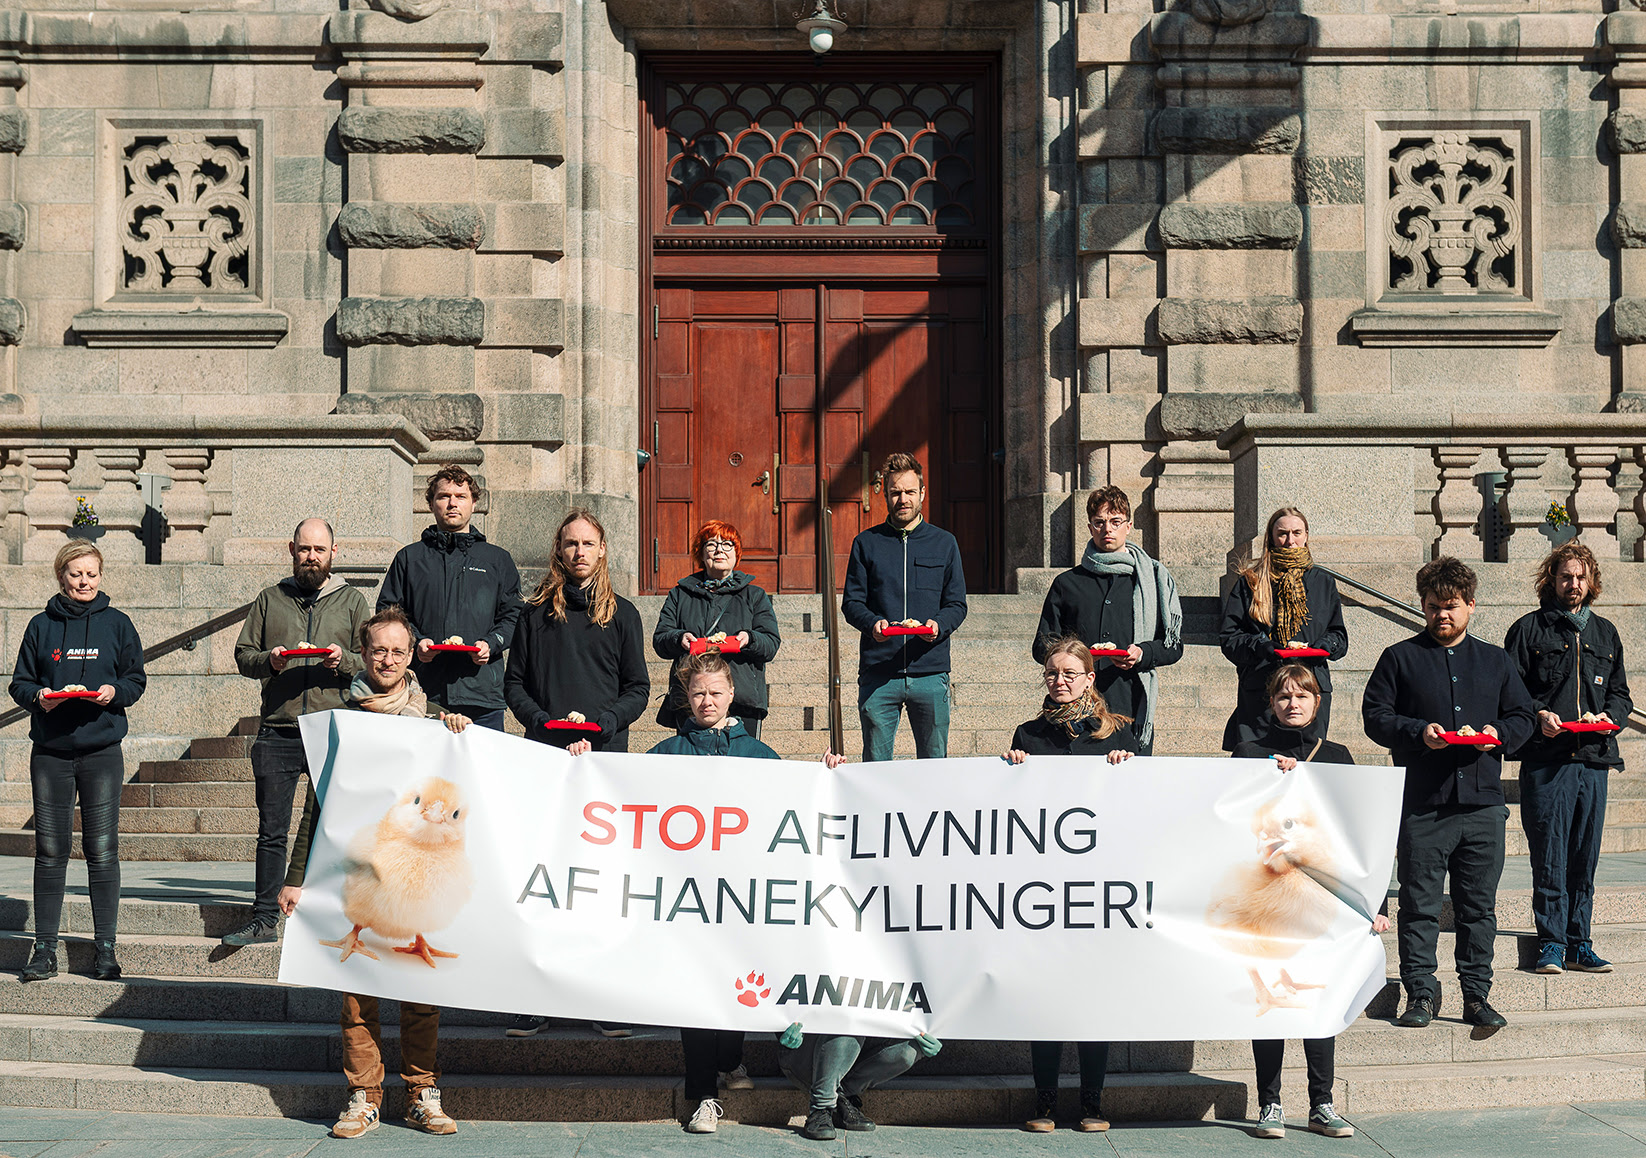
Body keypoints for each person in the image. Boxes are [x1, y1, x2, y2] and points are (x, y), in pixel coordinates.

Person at [278, 606, 473, 1139]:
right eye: (378, 650)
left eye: (398, 651)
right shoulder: (341, 722)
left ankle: (421, 1093)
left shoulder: (432, 725)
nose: (388, 660)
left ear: (413, 656)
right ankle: (363, 1095)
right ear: (364, 654)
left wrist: (456, 730)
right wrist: (296, 877)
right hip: (359, 871)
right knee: (357, 991)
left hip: (415, 878)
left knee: (419, 992)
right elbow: (318, 806)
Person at [1363, 556, 1536, 1029]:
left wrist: (1496, 733)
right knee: (1418, 905)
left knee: (1477, 908)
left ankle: (1476, 996)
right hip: (1424, 805)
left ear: (1471, 607)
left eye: (1453, 606)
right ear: (1422, 605)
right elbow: (1375, 716)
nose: (1444, 614)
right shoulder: (1399, 658)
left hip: (1482, 807)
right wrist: (1420, 732)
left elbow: (1523, 718)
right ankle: (1420, 993)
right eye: (1435, 605)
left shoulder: (1496, 660)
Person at [503, 508, 648, 1037]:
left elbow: (638, 689)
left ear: (603, 548)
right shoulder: (533, 615)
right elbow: (514, 684)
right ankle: (535, 996)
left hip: (604, 764)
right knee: (544, 881)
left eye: (588, 543)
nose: (579, 551)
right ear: (558, 551)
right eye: (570, 543)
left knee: (600, 884)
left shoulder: (623, 615)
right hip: (545, 759)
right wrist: (542, 722)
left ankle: (604, 999)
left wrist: (605, 723)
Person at [1231, 664, 1388, 1140]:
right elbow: (1231, 825)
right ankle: (1270, 1104)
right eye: (1283, 696)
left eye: (1303, 695)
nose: (1293, 703)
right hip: (1269, 900)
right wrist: (1271, 782)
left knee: (1318, 1000)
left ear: (1318, 702)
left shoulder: (1337, 757)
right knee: (1271, 1001)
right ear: (1270, 703)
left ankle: (1322, 1103)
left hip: (1326, 902)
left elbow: (1360, 837)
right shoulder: (1249, 754)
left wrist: (1371, 904)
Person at [646, 652, 782, 1134]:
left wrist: (828, 774)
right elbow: (626, 801)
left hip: (741, 899)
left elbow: (794, 808)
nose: (707, 701)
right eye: (698, 692)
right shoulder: (664, 754)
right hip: (686, 899)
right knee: (696, 994)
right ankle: (703, 1095)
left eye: (716, 693)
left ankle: (732, 1058)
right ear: (687, 696)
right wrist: (582, 764)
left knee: (735, 983)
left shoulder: (761, 756)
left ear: (732, 696)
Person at [1002, 636, 1133, 1132]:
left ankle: (1094, 1102)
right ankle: (1045, 1101)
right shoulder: (1028, 733)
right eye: (1052, 673)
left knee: (1092, 996)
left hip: (1098, 890)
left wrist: (1129, 770)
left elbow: (1140, 808)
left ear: (1090, 679)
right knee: (1047, 996)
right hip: (1044, 888)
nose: (1060, 681)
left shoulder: (1118, 733)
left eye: (1070, 674)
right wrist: (1010, 772)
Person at [223, 518, 369, 948]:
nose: (311, 557)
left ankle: (334, 915)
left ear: (334, 552)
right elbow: (243, 655)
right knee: (271, 830)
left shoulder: (352, 601)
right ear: (291, 549)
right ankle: (264, 917)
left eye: (319, 550)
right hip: (279, 730)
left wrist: (343, 661)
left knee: (335, 826)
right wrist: (272, 660)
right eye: (304, 549)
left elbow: (376, 660)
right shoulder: (270, 599)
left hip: (333, 728)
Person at [9, 541, 146, 983]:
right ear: (61, 577)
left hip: (101, 752)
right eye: (76, 574)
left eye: (91, 574)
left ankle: (105, 949)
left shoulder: (118, 625)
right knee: (50, 851)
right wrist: (38, 698)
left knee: (102, 851)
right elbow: (20, 683)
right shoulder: (39, 626)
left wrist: (114, 693)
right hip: (50, 753)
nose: (84, 581)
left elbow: (135, 679)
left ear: (101, 576)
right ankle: (44, 949)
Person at [1504, 541, 1632, 975]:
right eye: (1565, 576)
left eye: (1580, 576)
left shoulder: (1606, 632)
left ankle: (1581, 942)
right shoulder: (1527, 630)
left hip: (1593, 758)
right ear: (1551, 580)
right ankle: (1552, 943)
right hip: (1546, 760)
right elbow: (1511, 695)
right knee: (1550, 854)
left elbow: (1621, 694)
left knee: (1584, 856)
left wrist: (1609, 717)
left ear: (1591, 580)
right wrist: (1538, 715)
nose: (1573, 584)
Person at [1033, 486, 1182, 755]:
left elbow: (1173, 645)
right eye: (1099, 523)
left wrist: (1142, 653)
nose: (1107, 530)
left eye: (1115, 522)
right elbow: (1043, 646)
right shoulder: (1067, 584)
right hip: (1076, 707)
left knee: (1130, 786)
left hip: (1130, 699)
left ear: (1129, 525)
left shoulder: (1152, 581)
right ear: (1090, 527)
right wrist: (1081, 658)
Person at [841, 452, 968, 761]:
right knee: (876, 765)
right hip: (879, 672)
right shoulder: (866, 543)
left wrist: (938, 625)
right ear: (885, 494)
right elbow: (852, 602)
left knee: (934, 763)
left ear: (922, 493)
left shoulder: (944, 543)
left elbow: (956, 603)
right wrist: (873, 625)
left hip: (930, 668)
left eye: (910, 491)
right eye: (895, 492)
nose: (903, 499)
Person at [377, 464, 522, 732]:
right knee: (428, 774)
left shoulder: (497, 560)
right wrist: (416, 642)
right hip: (424, 694)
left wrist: (492, 644)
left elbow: (513, 615)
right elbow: (389, 614)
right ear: (431, 503)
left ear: (474, 502)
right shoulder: (410, 558)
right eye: (443, 496)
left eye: (461, 496)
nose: (452, 503)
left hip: (482, 695)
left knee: (481, 773)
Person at [1219, 507, 1348, 750]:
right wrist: (1262, 647)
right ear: (1271, 537)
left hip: (1310, 690)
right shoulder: (1250, 581)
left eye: (1297, 532)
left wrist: (1324, 646)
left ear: (1306, 535)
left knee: (1307, 767)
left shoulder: (1323, 581)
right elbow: (1229, 637)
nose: (1290, 541)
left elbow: (1339, 636)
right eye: (1283, 534)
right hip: (1262, 691)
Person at [652, 521, 781, 739]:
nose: (720, 550)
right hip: (691, 700)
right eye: (711, 544)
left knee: (741, 769)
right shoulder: (680, 594)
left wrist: (749, 639)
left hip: (742, 699)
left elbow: (770, 644)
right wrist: (679, 638)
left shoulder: (755, 596)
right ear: (701, 554)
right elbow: (660, 639)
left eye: (728, 544)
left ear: (736, 553)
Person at [777, 1022, 942, 1140]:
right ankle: (821, 1107)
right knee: (849, 1017)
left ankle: (841, 1094)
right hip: (804, 1055)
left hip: (860, 1044)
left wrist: (932, 1030)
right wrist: (780, 1027)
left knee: (910, 1049)